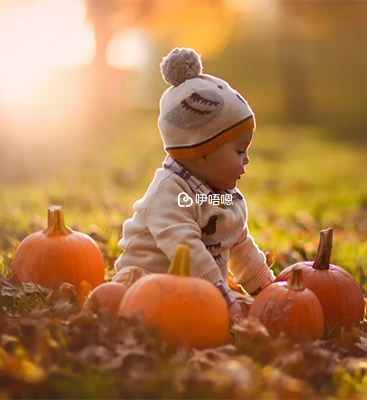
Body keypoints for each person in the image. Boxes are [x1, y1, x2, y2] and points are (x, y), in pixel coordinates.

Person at [113, 47, 275, 325]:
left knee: (252, 313)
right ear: (200, 152)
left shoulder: (225, 198)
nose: (247, 159)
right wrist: (222, 299)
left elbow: (241, 246)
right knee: (137, 310)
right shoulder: (169, 193)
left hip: (203, 292)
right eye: (239, 151)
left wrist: (270, 293)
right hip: (148, 286)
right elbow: (186, 249)